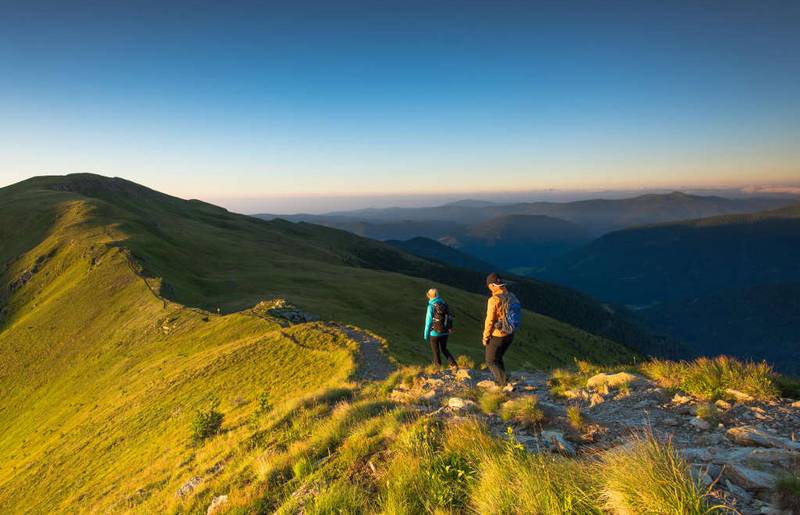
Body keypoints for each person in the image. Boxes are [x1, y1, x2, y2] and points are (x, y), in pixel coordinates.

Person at [482, 272, 521, 387]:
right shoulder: (511, 295)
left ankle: (504, 384)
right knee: (498, 358)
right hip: (510, 333)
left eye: (489, 285)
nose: (489, 287)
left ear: (493, 285)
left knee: (490, 360)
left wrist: (485, 336)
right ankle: (504, 380)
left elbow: (489, 321)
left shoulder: (493, 300)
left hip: (498, 335)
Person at [423, 288, 456, 368]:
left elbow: (428, 322)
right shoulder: (444, 304)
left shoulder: (431, 306)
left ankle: (438, 368)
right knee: (444, 349)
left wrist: (426, 335)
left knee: (436, 351)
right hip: (445, 332)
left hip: (434, 333)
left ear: (429, 296)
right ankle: (454, 364)